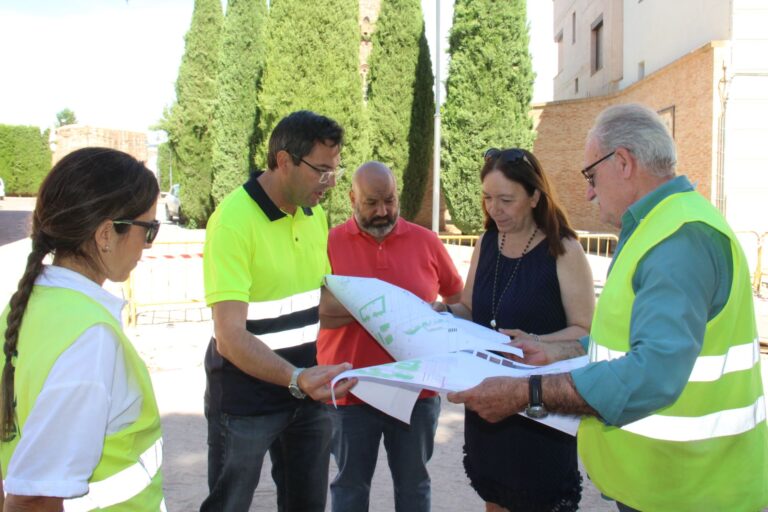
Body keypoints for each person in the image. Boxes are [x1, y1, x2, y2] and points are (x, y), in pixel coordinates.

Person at [448, 103, 768, 511]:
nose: (588, 192)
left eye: (591, 175)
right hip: (663, 481)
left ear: (623, 162)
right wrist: (557, 350)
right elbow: (619, 340)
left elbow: (651, 373)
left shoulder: (679, 241)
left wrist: (526, 391)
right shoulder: (658, 228)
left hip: (691, 489)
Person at [201, 110, 356, 512]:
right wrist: (297, 379)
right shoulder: (232, 222)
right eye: (321, 170)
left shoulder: (314, 213)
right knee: (228, 505)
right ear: (283, 160)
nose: (331, 182)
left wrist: (391, 314)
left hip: (306, 391)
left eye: (335, 169)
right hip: (244, 400)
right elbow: (230, 338)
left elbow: (316, 300)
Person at [0, 147, 165, 510]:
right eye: (148, 228)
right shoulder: (91, 339)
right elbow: (34, 499)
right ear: (107, 234)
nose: (148, 245)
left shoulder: (23, 307)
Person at [433, 147, 595, 511]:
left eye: (506, 199)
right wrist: (441, 313)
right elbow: (470, 309)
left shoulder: (564, 250)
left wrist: (537, 342)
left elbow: (586, 333)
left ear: (535, 196)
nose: (493, 208)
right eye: (488, 198)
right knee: (497, 498)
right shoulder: (487, 241)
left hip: (540, 410)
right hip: (490, 405)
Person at [317, 161, 464, 512]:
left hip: (416, 391)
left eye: (390, 200)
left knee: (414, 486)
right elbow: (314, 310)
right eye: (372, 203)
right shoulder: (328, 243)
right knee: (349, 488)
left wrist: (444, 318)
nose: (383, 211)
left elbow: (458, 300)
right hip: (350, 390)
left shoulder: (426, 241)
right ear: (352, 198)